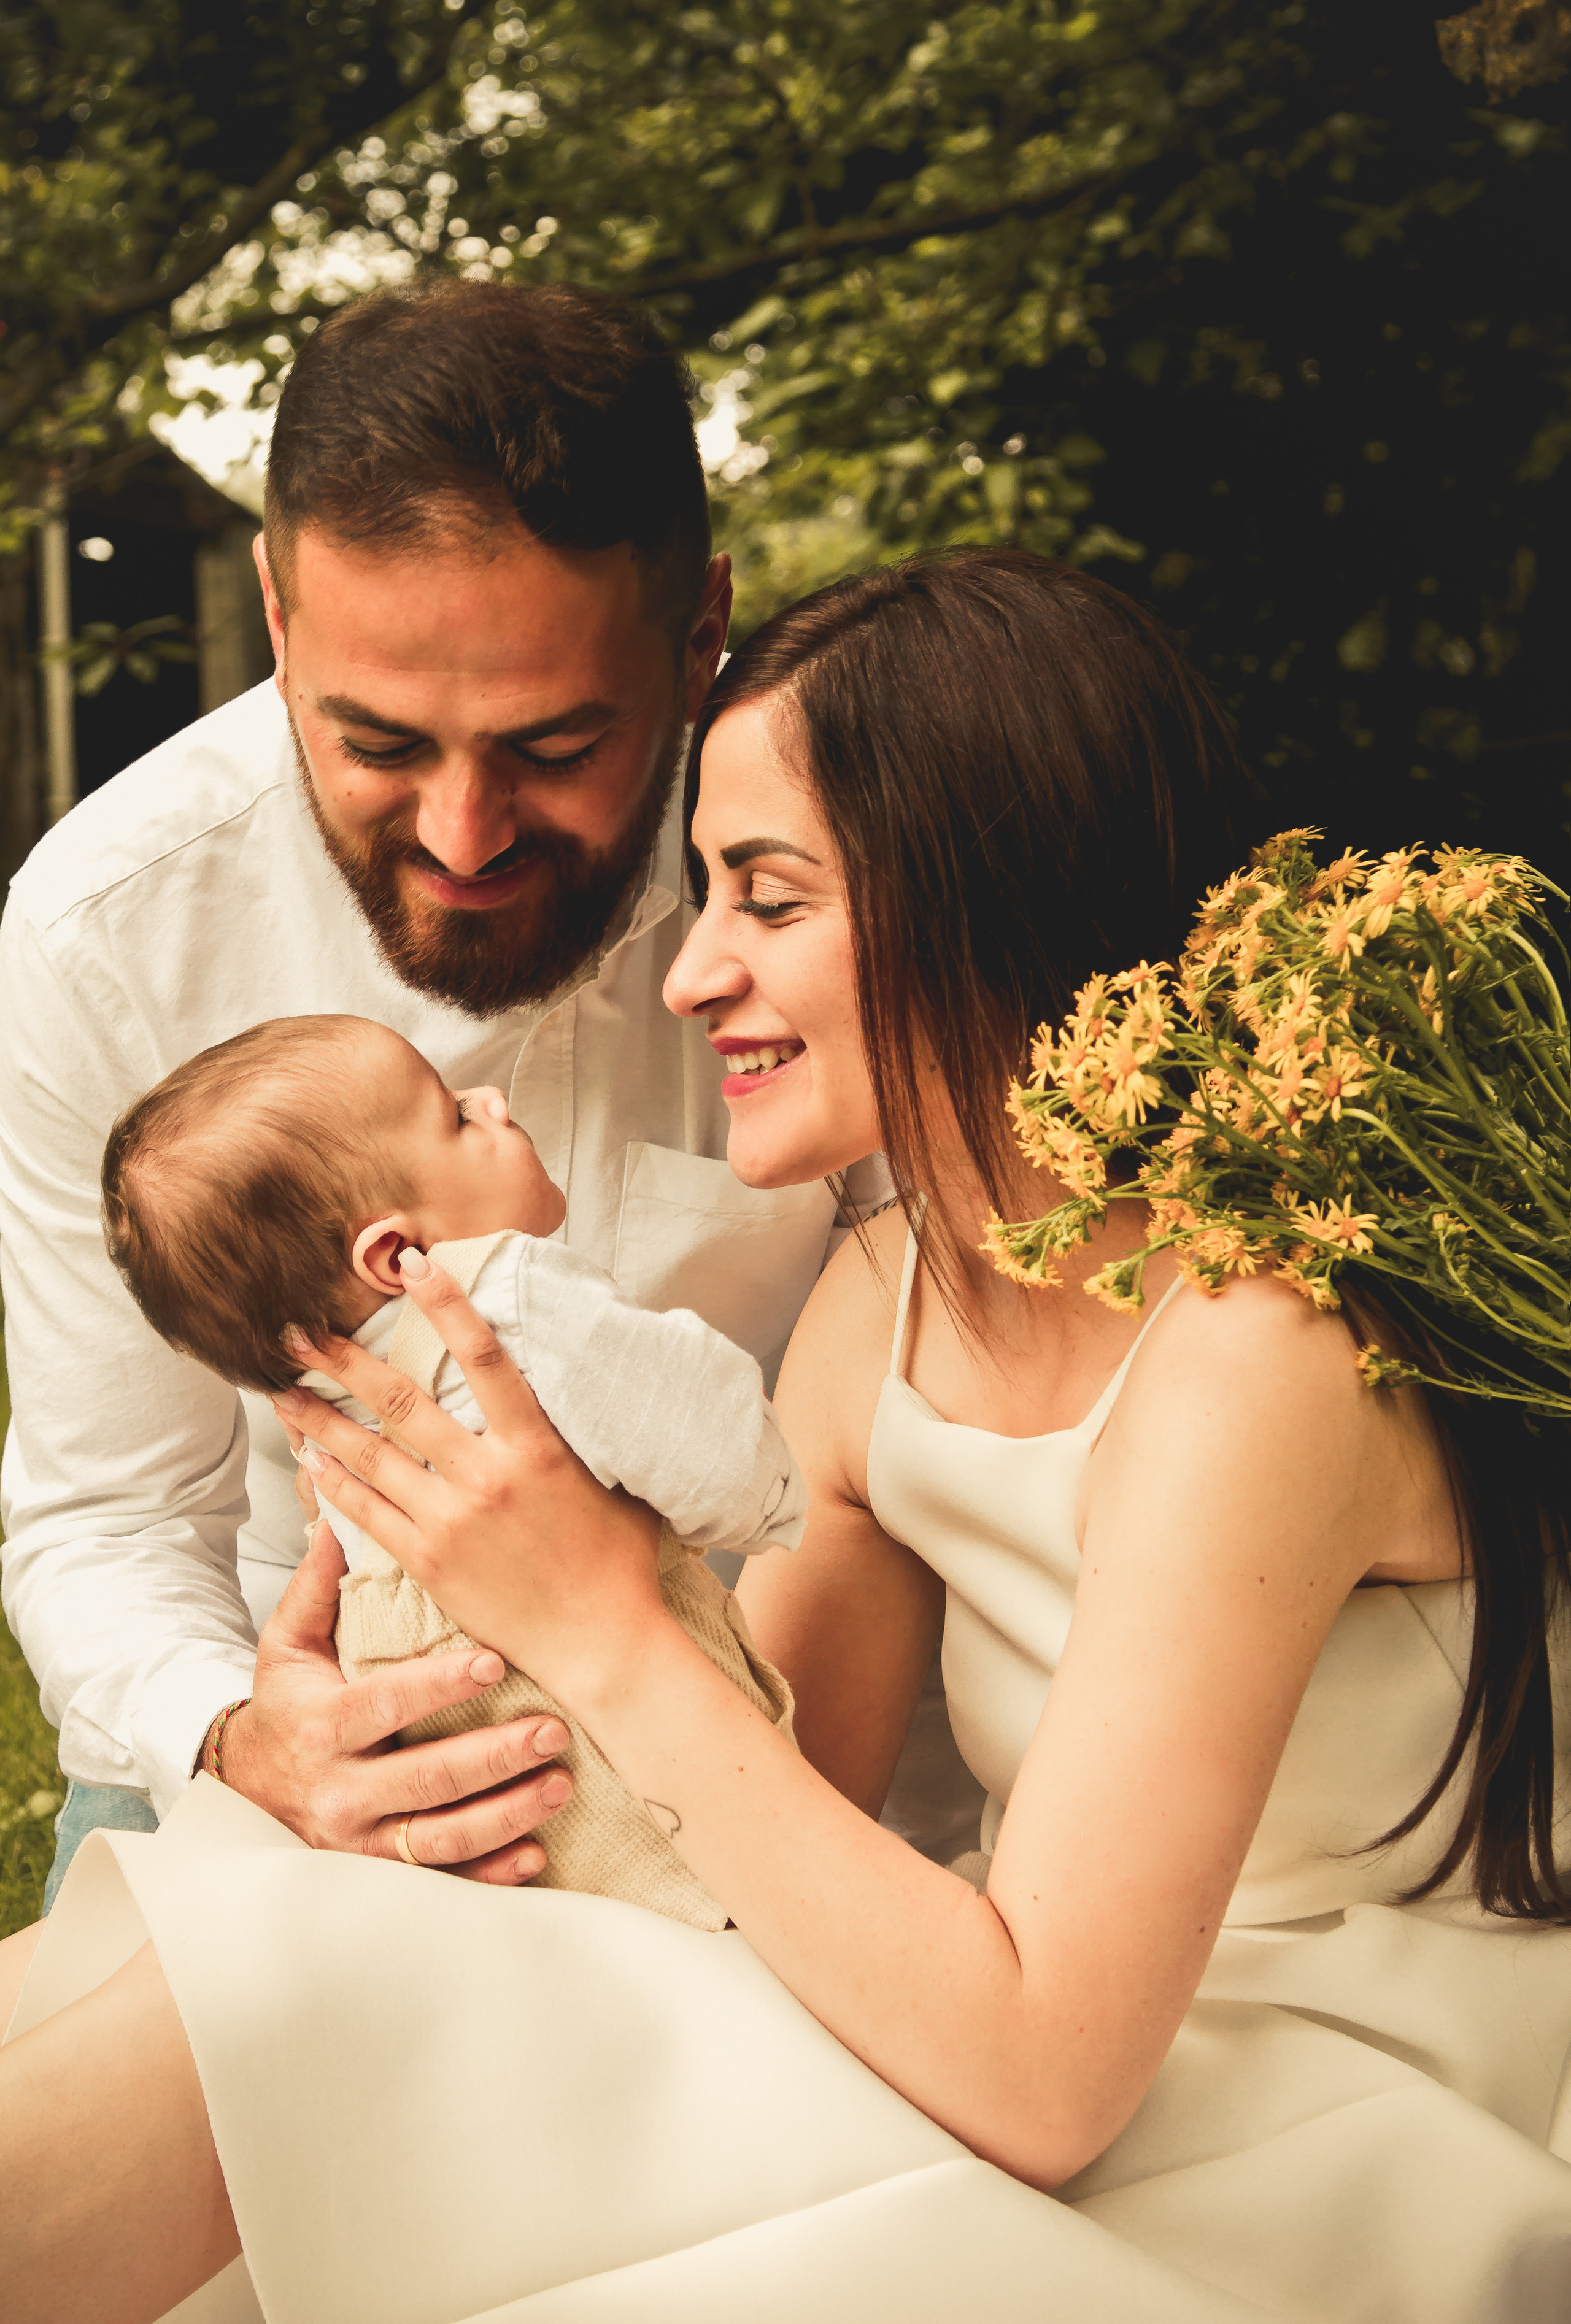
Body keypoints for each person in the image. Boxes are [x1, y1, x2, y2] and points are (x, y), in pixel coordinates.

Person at [4, 550, 1570, 2324]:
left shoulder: (1257, 1344)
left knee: (314, 2020)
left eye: (766, 896)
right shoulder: (885, 1302)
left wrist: (598, 1617)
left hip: (1303, 2122)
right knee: (269, 1943)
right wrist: (424, 1767)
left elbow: (1052, 2080)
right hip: (1004, 2038)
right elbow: (747, 1826)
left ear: (981, 894)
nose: (692, 974)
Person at [0, 279, 904, 1908]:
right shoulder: (108, 929)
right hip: (316, 1732)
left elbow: (931, 1412)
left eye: (557, 746)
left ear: (698, 632)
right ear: (278, 614)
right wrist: (247, 1736)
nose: (466, 834)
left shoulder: (840, 879)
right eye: (379, 744)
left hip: (773, 1717)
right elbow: (108, 1518)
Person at [98, 1011, 802, 1925]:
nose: (491, 1100)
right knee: (711, 1902)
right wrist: (775, 1502)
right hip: (613, 1740)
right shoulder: (515, 1296)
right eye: (457, 1118)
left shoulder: (325, 1411)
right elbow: (711, 1444)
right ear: (396, 1255)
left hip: (448, 1752)